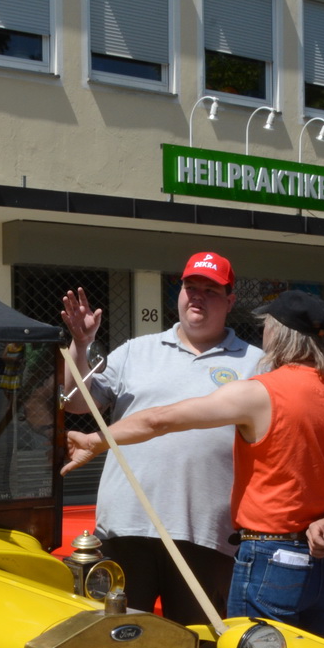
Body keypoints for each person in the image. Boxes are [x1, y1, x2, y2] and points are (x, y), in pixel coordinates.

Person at [61, 290, 324, 648]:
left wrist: (96, 440)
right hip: (321, 566)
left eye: (268, 325)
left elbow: (161, 418)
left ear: (280, 333)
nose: (263, 333)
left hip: (270, 560)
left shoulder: (264, 390)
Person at [60, 252, 261, 619]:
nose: (196, 296)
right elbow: (76, 404)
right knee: (117, 641)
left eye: (210, 290)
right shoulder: (137, 351)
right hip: (126, 525)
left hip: (206, 532)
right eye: (190, 287)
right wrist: (81, 345)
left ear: (230, 301)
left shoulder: (257, 363)